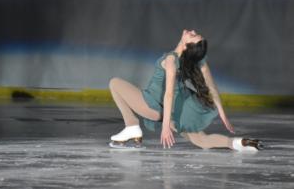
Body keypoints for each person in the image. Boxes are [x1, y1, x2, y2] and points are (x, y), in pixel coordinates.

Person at [108, 29, 263, 151]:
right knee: (201, 140)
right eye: (195, 34)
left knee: (114, 83)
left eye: (193, 36)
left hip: (153, 105)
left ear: (187, 46)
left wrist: (165, 126)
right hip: (177, 111)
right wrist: (222, 113)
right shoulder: (195, 60)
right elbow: (211, 87)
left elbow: (168, 94)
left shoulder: (171, 60)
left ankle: (132, 126)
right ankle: (238, 143)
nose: (192, 31)